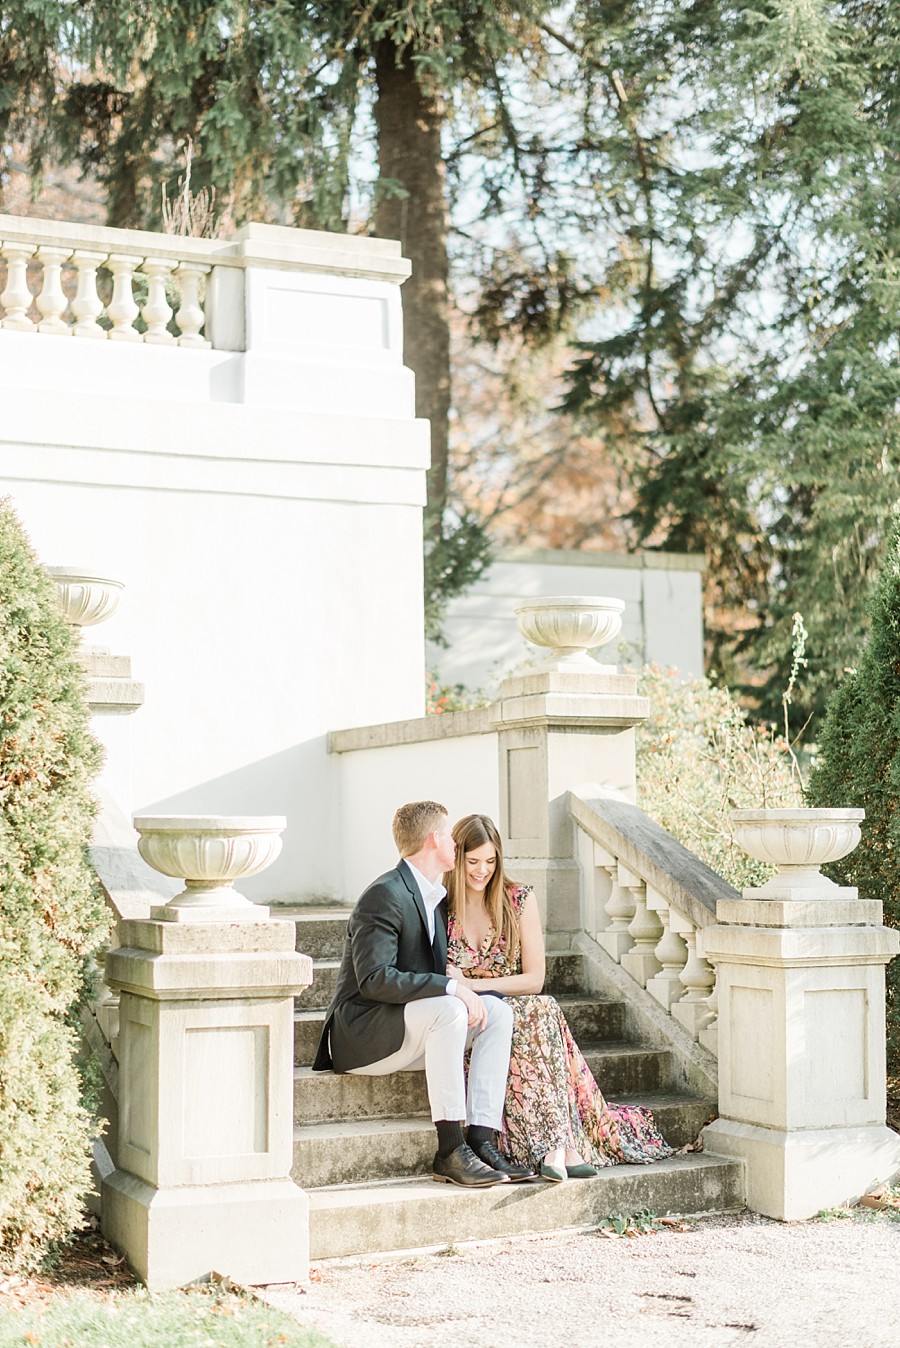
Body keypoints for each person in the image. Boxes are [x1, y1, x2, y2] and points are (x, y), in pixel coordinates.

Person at [313, 800, 535, 1186]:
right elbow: (375, 979)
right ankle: (450, 1150)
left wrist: (466, 989)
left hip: (411, 1032)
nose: (455, 843)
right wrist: (452, 986)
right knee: (450, 1008)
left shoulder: (432, 897)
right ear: (435, 840)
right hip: (362, 1035)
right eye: (450, 836)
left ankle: (480, 1140)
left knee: (498, 1013)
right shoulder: (384, 894)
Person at [445, 812, 674, 1182]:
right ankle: (563, 1146)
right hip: (477, 1024)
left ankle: (555, 1146)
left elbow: (534, 980)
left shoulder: (517, 899)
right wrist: (469, 993)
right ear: (457, 859)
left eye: (490, 861)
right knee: (537, 1013)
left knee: (540, 1007)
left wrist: (473, 984)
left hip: (516, 1013)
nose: (482, 871)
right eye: (473, 862)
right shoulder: (443, 908)